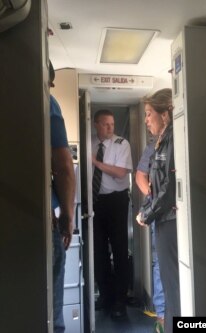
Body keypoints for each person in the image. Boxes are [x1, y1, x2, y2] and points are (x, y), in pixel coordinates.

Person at [136, 88, 180, 333]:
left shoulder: (171, 142)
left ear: (165, 115)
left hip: (169, 220)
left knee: (172, 283)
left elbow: (168, 189)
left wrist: (147, 214)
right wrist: (146, 209)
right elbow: (153, 184)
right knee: (167, 279)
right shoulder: (159, 143)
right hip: (163, 219)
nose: (146, 120)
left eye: (149, 114)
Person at [92, 109, 133, 318]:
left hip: (116, 201)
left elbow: (120, 172)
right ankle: (105, 296)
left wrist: (97, 163)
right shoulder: (89, 143)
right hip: (95, 203)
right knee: (98, 251)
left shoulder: (121, 144)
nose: (110, 128)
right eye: (106, 124)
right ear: (96, 124)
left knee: (119, 249)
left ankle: (120, 299)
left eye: (112, 124)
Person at [49, 61, 76, 333]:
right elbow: (65, 167)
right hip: (41, 223)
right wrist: (68, 217)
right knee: (49, 313)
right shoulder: (47, 102)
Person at [135, 141, 165, 333]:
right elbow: (140, 177)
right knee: (160, 261)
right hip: (161, 212)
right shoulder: (152, 147)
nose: (146, 120)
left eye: (149, 114)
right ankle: (162, 315)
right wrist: (155, 198)